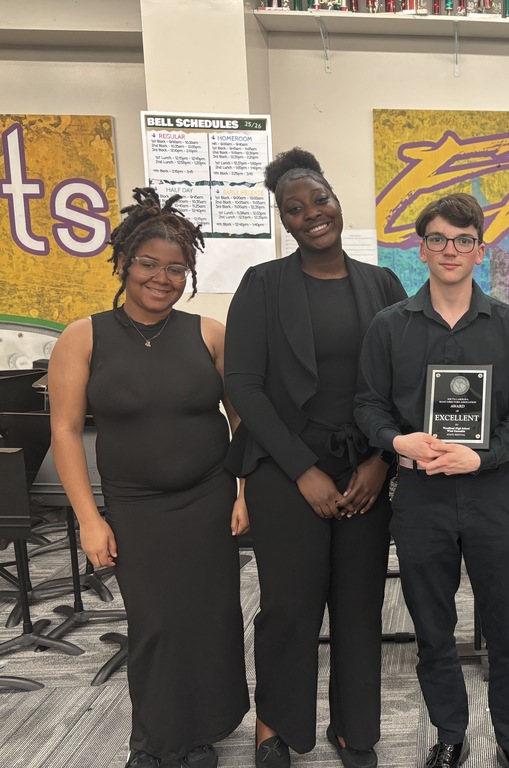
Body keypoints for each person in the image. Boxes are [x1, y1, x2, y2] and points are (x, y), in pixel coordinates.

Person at [49, 188, 249, 768]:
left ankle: (201, 732)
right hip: (135, 507)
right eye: (148, 263)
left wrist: (244, 491)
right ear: (122, 263)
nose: (162, 278)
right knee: (155, 622)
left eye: (176, 268)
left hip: (209, 498)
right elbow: (65, 431)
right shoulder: (83, 337)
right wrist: (90, 520)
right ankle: (155, 743)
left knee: (210, 617)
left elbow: (243, 419)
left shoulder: (209, 333)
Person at [224, 148, 407, 768]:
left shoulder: (381, 284)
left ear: (337, 201)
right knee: (289, 604)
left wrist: (380, 462)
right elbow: (243, 385)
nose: (311, 214)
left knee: (358, 604)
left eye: (319, 200)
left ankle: (355, 727)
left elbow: (403, 382)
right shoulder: (263, 284)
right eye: (294, 208)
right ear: (284, 220)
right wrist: (302, 470)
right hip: (283, 467)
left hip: (364, 468)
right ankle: (273, 728)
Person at [354, 193, 509, 768]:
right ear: (423, 249)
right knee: (433, 628)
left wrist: (482, 457)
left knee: (508, 627)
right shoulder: (390, 326)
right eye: (437, 239)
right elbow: (368, 405)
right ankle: (449, 735)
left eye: (463, 240)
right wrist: (399, 443)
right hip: (420, 497)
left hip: (490, 493)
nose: (450, 250)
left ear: (480, 251)